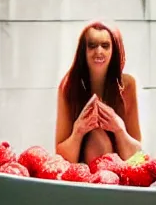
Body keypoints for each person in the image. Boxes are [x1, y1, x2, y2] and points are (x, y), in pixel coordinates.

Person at [55, 21, 142, 165]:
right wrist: (79, 131)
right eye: (92, 45)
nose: (99, 51)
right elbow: (62, 158)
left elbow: (136, 156)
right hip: (81, 175)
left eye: (105, 46)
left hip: (118, 173)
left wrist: (119, 129)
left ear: (114, 49)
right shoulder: (68, 87)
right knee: (96, 136)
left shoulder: (128, 85)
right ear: (83, 50)